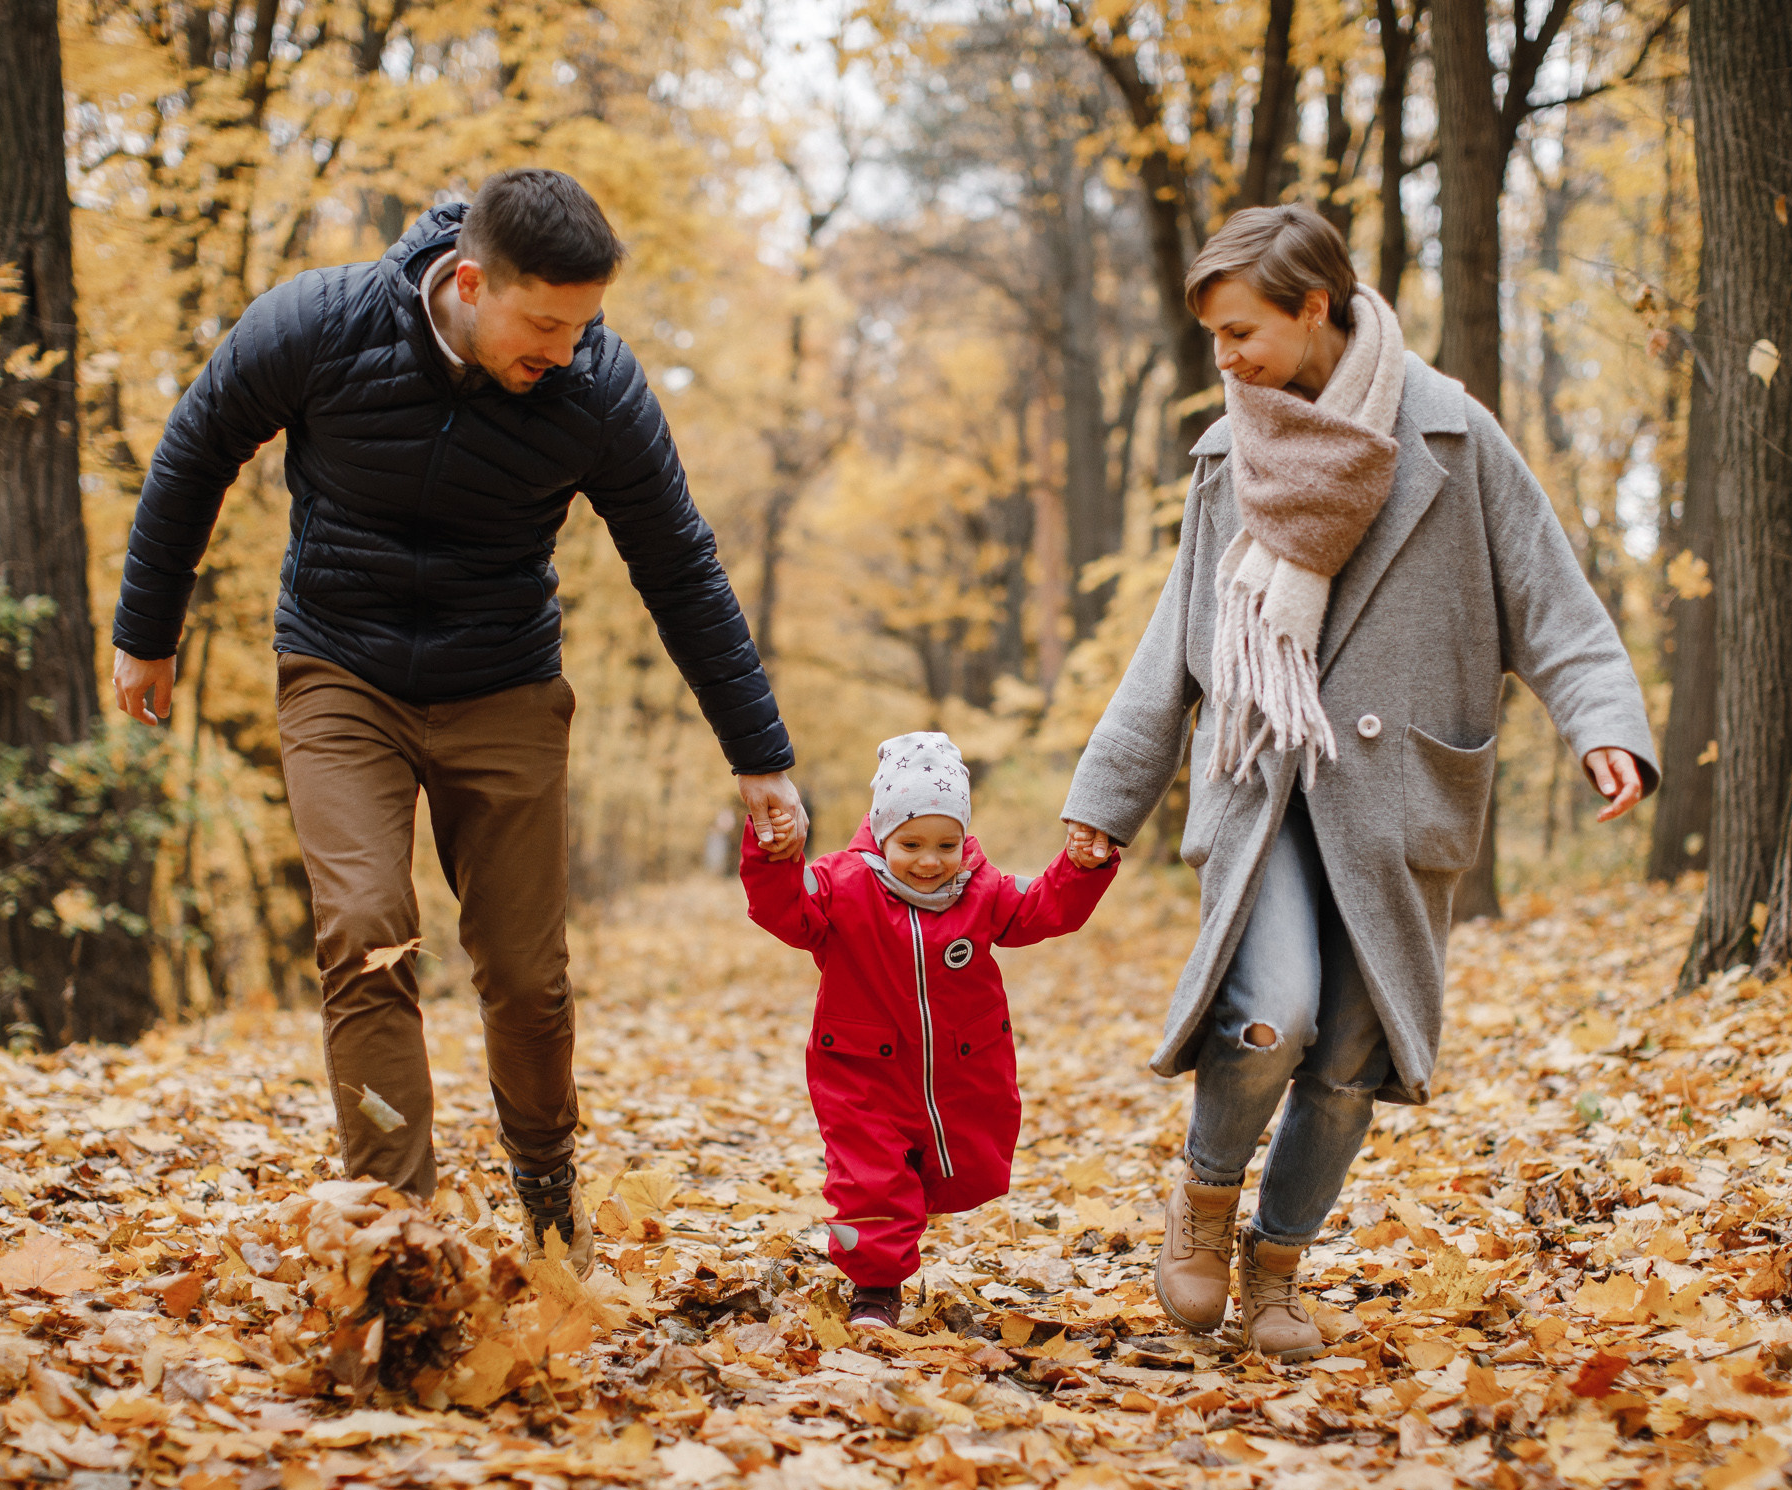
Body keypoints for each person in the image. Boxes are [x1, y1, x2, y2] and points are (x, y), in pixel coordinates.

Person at [109, 168, 811, 1274]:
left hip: (505, 684)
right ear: (471, 282)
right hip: (342, 672)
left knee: (526, 977)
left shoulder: (600, 388)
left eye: (584, 325)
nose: (566, 352)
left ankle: (544, 1181)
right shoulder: (322, 322)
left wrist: (758, 753)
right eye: (544, 323)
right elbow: (198, 441)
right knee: (366, 935)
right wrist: (147, 627)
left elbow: (679, 565)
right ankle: (396, 1234)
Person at [1060, 206, 1656, 1361]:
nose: (1225, 360)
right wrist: (1106, 798)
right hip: (1262, 779)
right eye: (1215, 339)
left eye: (1242, 332)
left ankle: (1275, 1270)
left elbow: (1553, 601)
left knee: (1344, 1055)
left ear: (1315, 307)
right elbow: (1175, 635)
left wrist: (1604, 726)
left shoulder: (1455, 437)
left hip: (1394, 802)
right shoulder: (1231, 452)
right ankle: (1202, 1192)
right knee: (1273, 1011)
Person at [741, 733, 1118, 1326]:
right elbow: (782, 908)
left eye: (946, 843)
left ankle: (902, 1227)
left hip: (959, 1069)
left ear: (964, 839)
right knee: (868, 1180)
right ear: (882, 834)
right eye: (910, 843)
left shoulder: (983, 889)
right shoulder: (841, 886)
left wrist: (1080, 867)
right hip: (860, 1071)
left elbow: (1046, 907)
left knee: (954, 1166)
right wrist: (775, 855)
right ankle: (875, 1289)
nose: (928, 860)